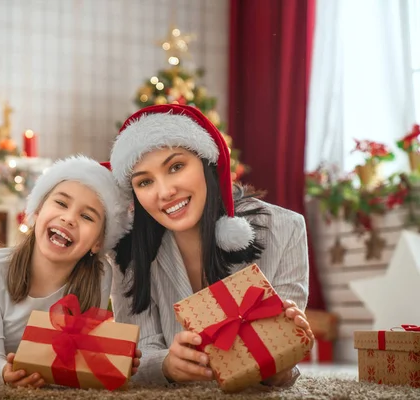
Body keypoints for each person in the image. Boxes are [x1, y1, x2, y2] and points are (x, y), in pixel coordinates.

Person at [108, 104, 314, 387]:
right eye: (144, 182)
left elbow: (281, 367)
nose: (165, 192)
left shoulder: (284, 229)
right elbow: (135, 356)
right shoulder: (128, 253)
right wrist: (166, 365)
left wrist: (282, 363)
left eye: (176, 167)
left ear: (208, 163)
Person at [0, 155, 136, 388]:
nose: (68, 218)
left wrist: (114, 358)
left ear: (98, 242)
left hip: (14, 336)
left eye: (86, 216)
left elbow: (79, 354)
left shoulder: (100, 274)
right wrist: (4, 374)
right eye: (61, 203)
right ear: (37, 212)